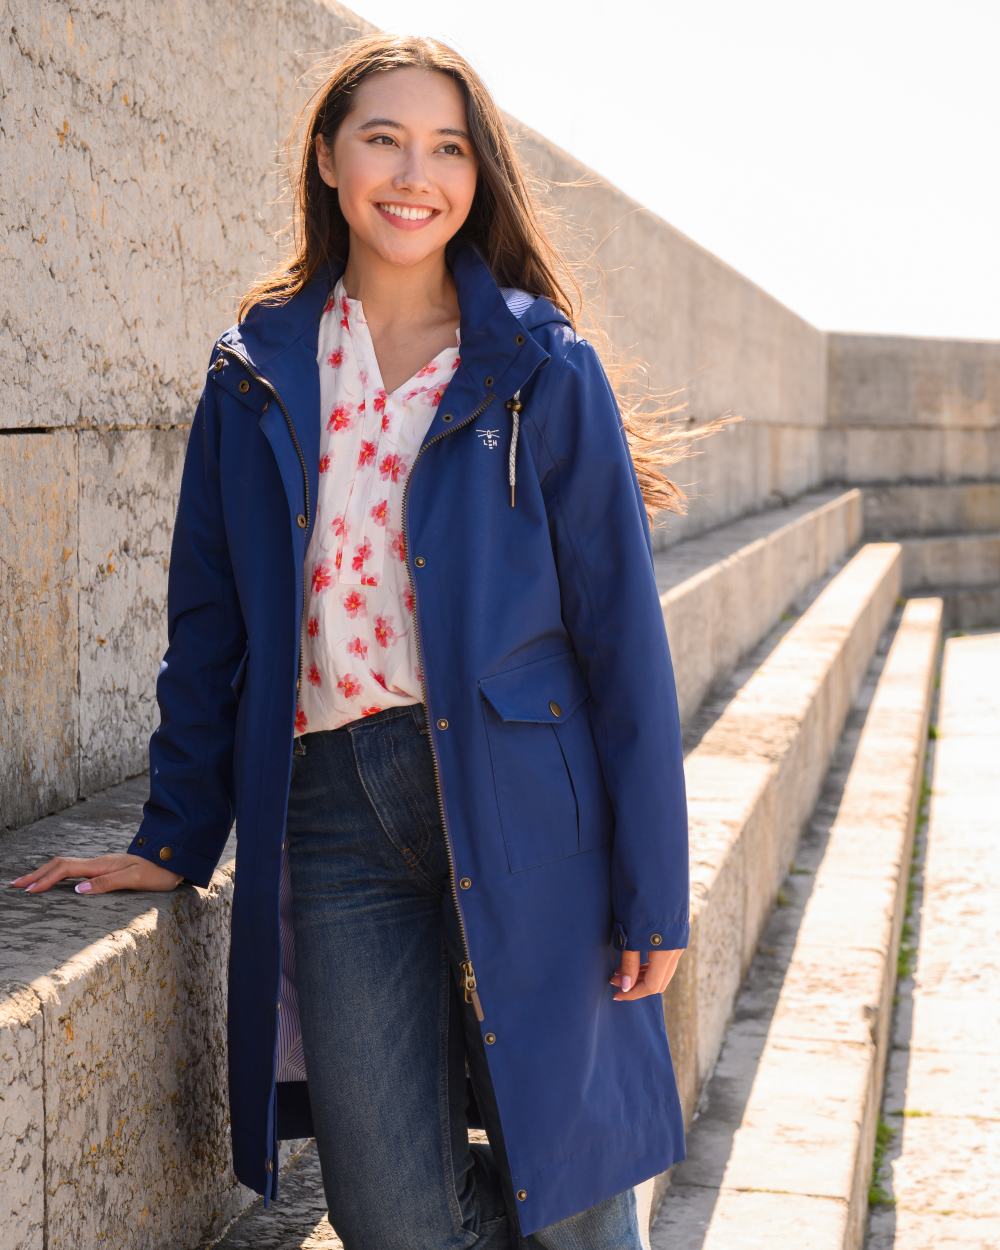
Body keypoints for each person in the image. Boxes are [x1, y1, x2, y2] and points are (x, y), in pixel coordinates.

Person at [10, 32, 722, 1250]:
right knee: (391, 1218)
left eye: (447, 146)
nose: (415, 171)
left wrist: (652, 886)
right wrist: (175, 834)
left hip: (522, 801)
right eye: (384, 138)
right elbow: (211, 624)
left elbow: (620, 643)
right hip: (331, 810)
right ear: (330, 160)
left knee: (581, 1184)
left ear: (478, 176)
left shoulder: (539, 369)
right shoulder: (257, 372)